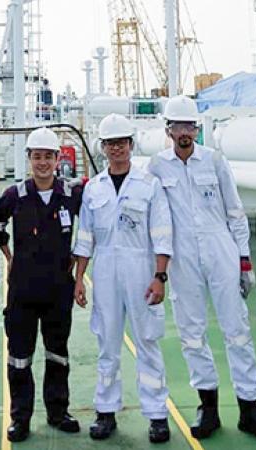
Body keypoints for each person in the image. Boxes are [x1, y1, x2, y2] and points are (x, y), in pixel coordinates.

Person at [147, 95, 256, 442]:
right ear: (168, 130)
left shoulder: (215, 161)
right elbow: (153, 216)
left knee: (237, 329)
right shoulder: (157, 167)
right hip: (182, 256)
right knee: (191, 332)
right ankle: (208, 407)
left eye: (189, 126)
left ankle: (250, 409)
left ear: (197, 129)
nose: (184, 133)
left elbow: (235, 213)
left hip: (220, 249)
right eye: (178, 126)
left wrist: (244, 261)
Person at [72, 113, 174, 443]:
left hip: (141, 268)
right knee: (107, 342)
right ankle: (105, 411)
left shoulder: (149, 185)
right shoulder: (94, 189)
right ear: (102, 148)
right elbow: (85, 236)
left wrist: (160, 276)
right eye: (110, 143)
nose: (116, 149)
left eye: (121, 143)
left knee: (147, 340)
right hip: (105, 270)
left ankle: (157, 414)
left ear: (131, 145)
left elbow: (162, 233)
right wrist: (79, 278)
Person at [0, 127, 83, 442]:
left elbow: (95, 221)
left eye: (48, 157)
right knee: (19, 357)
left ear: (57, 159)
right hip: (23, 290)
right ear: (29, 158)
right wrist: (8, 255)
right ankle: (20, 418)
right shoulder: (15, 195)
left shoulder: (71, 194)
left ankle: (58, 412)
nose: (42, 163)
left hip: (58, 289)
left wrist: (77, 254)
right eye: (37, 156)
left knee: (58, 354)